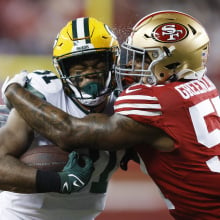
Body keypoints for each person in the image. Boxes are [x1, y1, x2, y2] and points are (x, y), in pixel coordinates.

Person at [4, 10, 218, 220]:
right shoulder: (201, 85)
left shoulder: (146, 101)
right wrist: (52, 181)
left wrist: (13, 91)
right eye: (78, 68)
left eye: (142, 58)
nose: (132, 65)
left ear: (171, 65)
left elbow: (68, 132)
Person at [0, 17, 134, 220]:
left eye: (97, 62)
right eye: (78, 68)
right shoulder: (44, 96)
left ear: (113, 62)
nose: (90, 74)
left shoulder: (128, 103)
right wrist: (55, 181)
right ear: (62, 69)